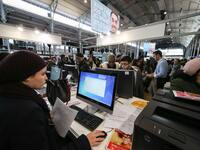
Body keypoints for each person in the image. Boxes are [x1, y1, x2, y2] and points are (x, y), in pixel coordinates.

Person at [0, 51, 105, 150]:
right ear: (26, 76)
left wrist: (44, 117)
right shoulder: (27, 111)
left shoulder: (10, 96)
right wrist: (84, 142)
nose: (46, 78)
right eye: (42, 74)